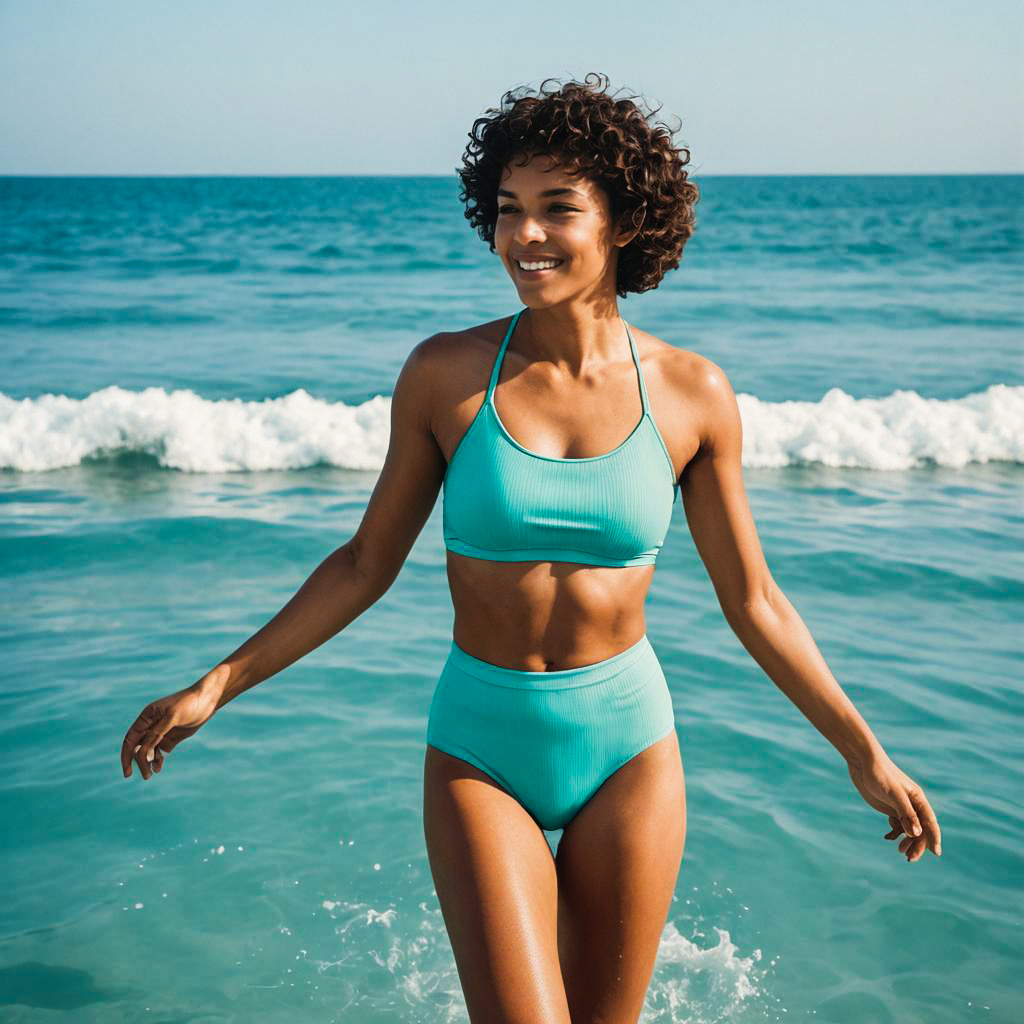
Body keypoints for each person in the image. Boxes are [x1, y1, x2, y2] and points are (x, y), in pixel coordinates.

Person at [120, 73, 943, 1023]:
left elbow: (754, 600)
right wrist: (219, 681)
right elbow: (363, 564)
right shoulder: (445, 375)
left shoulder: (692, 393)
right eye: (509, 210)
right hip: (482, 745)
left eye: (558, 209)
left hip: (630, 744)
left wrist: (864, 753)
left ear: (624, 222)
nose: (526, 236)